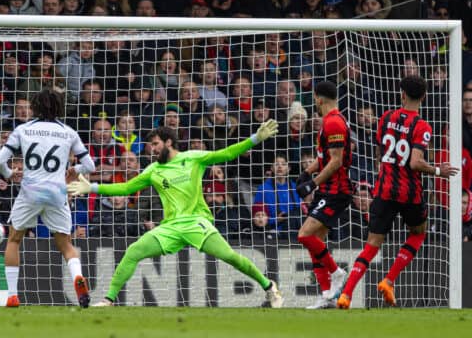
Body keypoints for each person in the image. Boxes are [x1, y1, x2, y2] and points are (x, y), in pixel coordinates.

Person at [68, 121, 284, 308]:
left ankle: (268, 286)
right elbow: (126, 188)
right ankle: (108, 300)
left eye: (155, 144)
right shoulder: (153, 169)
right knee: (134, 251)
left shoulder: (193, 158)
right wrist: (93, 188)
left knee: (230, 257)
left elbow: (226, 153)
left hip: (196, 222)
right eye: (150, 145)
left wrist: (255, 138)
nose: (151, 149)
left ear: (168, 142)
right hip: (170, 226)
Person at [337, 76, 459, 309]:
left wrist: (383, 173)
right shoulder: (422, 126)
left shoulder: (385, 118)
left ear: (402, 93)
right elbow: (415, 162)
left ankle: (347, 294)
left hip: (383, 190)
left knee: (372, 244)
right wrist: (436, 170)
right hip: (409, 193)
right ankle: (389, 280)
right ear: (423, 97)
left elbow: (379, 151)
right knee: (418, 233)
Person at [0, 88, 96, 308]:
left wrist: (10, 175)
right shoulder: (68, 132)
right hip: (57, 192)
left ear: (35, 107)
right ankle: (78, 277)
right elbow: (90, 166)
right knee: (66, 244)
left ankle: (12, 295)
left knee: (14, 239)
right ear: (59, 107)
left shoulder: (23, 129)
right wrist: (74, 169)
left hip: (30, 191)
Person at [295, 81, 351, 309]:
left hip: (337, 191)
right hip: (328, 189)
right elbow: (326, 158)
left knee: (304, 235)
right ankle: (327, 295)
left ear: (318, 99)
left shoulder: (335, 122)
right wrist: (306, 172)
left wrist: (313, 184)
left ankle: (337, 273)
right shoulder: (329, 122)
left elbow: (337, 161)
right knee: (316, 242)